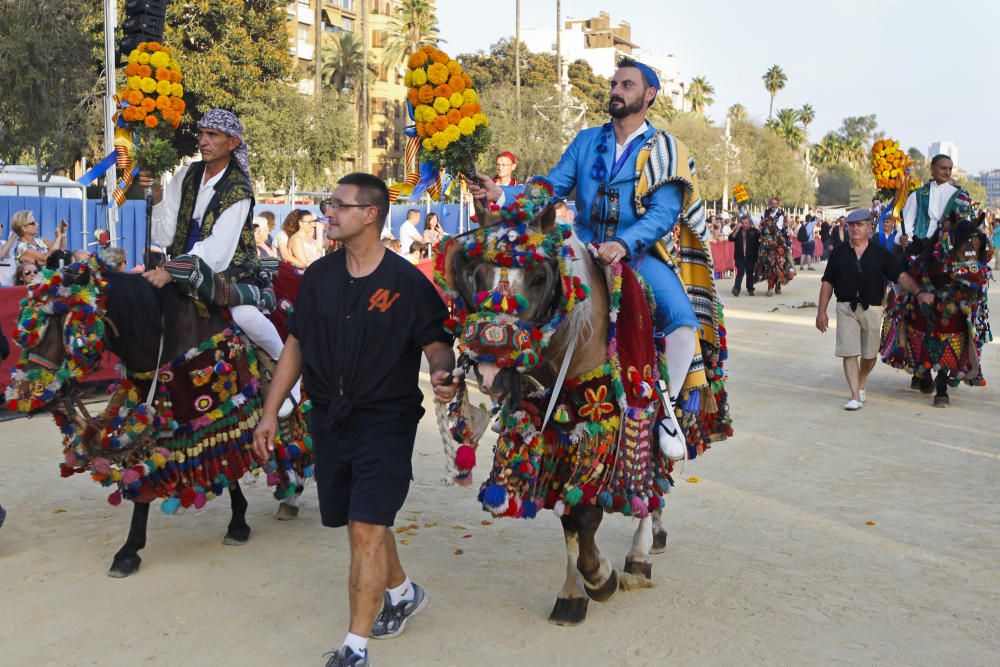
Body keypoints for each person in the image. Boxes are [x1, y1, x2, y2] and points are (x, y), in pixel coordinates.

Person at [252, 173, 458, 667]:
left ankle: (354, 647)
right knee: (362, 518)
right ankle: (404, 592)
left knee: (364, 529)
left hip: (385, 419)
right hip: (329, 417)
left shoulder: (408, 283)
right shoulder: (319, 277)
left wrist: (444, 374)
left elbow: (436, 343)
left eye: (340, 205)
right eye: (330, 204)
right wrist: (269, 414)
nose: (329, 212)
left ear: (370, 214)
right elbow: (295, 345)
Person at [468, 57, 710, 455]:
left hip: (638, 255)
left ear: (649, 95)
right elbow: (552, 186)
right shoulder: (585, 142)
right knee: (517, 294)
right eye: (614, 84)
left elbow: (665, 212)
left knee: (683, 323)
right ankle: (510, 397)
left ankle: (666, 414)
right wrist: (502, 194)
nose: (616, 90)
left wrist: (625, 244)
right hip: (578, 248)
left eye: (627, 85)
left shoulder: (668, 149)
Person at [138, 109, 300, 416]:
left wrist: (173, 271)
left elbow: (218, 249)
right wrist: (158, 197)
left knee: (245, 315)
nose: (203, 141)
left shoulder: (239, 189)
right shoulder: (187, 174)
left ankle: (289, 372)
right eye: (201, 134)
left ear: (232, 142)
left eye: (212, 135)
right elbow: (166, 232)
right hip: (181, 264)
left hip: (230, 271)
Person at [815, 209, 932, 410]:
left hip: (872, 309)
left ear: (869, 227)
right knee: (849, 352)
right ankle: (855, 396)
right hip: (846, 307)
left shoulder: (881, 254)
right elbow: (827, 282)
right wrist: (821, 311)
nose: (855, 229)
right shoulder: (839, 253)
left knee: (869, 355)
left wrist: (919, 292)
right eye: (851, 225)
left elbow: (900, 276)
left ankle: (861, 383)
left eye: (860, 225)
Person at [900, 155, 966, 248]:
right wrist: (906, 238)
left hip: (951, 250)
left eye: (950, 169)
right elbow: (907, 225)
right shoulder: (918, 195)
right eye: (943, 168)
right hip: (919, 249)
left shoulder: (961, 196)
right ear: (932, 168)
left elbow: (967, 226)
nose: (947, 173)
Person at [755, 197, 795, 296]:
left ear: (778, 204)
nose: (773, 205)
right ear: (770, 204)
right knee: (761, 257)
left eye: (775, 203)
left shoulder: (780, 214)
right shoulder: (765, 212)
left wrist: (769, 223)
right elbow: (758, 221)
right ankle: (759, 273)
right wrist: (761, 223)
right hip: (766, 239)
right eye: (772, 203)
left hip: (778, 238)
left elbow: (778, 227)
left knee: (784, 256)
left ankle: (791, 268)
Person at [729, 214, 760, 296]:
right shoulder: (738, 231)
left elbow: (761, 239)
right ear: (740, 223)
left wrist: (759, 230)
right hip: (740, 257)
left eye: (746, 223)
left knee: (750, 273)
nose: (744, 225)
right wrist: (736, 229)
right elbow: (731, 238)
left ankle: (750, 289)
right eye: (743, 223)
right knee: (740, 273)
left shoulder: (754, 231)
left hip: (751, 257)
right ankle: (736, 288)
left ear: (749, 223)